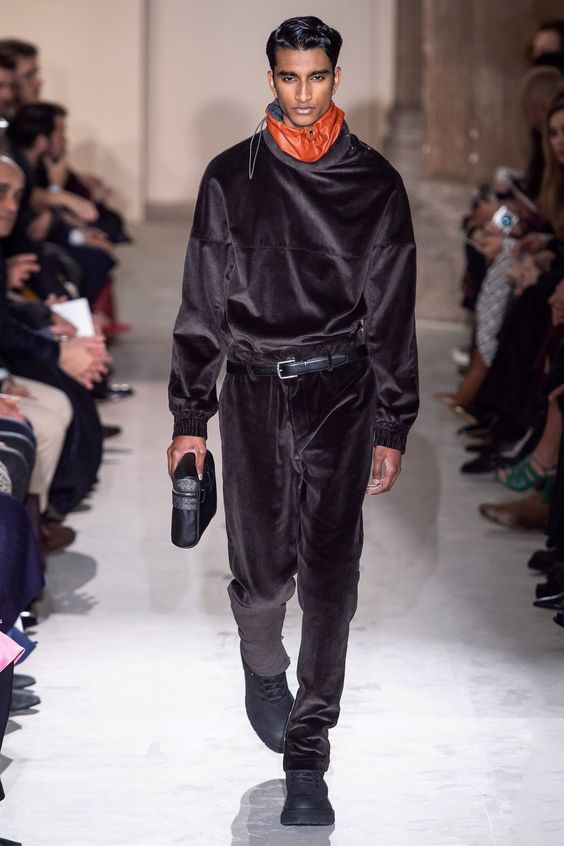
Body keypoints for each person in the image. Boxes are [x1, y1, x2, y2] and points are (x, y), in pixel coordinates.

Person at [168, 16, 418, 826]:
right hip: (251, 391)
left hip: (341, 391)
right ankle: (260, 652)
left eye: (315, 77)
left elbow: (392, 310)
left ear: (336, 77)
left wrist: (393, 421)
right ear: (270, 78)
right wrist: (189, 415)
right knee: (266, 575)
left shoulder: (374, 183)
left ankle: (309, 751)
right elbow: (202, 302)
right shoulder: (229, 178)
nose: (302, 94)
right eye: (288, 77)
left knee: (332, 579)